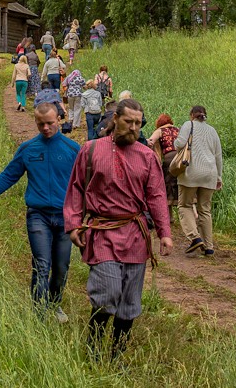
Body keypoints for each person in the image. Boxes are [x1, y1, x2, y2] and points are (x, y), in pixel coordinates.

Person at [64, 98, 172, 357]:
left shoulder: (147, 156)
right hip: (102, 231)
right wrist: (73, 224)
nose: (134, 128)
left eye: (138, 123)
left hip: (135, 234)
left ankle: (117, 354)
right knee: (108, 292)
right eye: (128, 121)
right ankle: (93, 349)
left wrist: (165, 233)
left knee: (129, 300)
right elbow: (76, 188)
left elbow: (157, 195)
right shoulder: (90, 150)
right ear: (115, 120)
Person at [0, 103, 81, 320]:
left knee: (61, 266)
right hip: (38, 215)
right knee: (41, 263)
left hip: (66, 218)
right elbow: (9, 175)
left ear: (59, 120)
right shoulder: (28, 149)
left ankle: (55, 304)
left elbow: (85, 183)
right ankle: (39, 312)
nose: (45, 128)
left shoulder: (73, 150)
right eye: (40, 124)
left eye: (50, 123)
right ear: (35, 122)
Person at [173, 106, 224, 256]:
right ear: (204, 116)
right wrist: (219, 177)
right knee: (205, 209)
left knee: (184, 205)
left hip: (191, 172)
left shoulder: (189, 125)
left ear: (191, 115)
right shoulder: (212, 131)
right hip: (210, 173)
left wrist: (177, 143)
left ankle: (195, 237)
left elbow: (180, 144)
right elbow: (218, 156)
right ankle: (209, 247)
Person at [146, 114, 180, 206]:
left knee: (167, 184)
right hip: (181, 159)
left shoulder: (160, 130)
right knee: (179, 184)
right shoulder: (177, 129)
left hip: (169, 158)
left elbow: (151, 141)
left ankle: (170, 216)